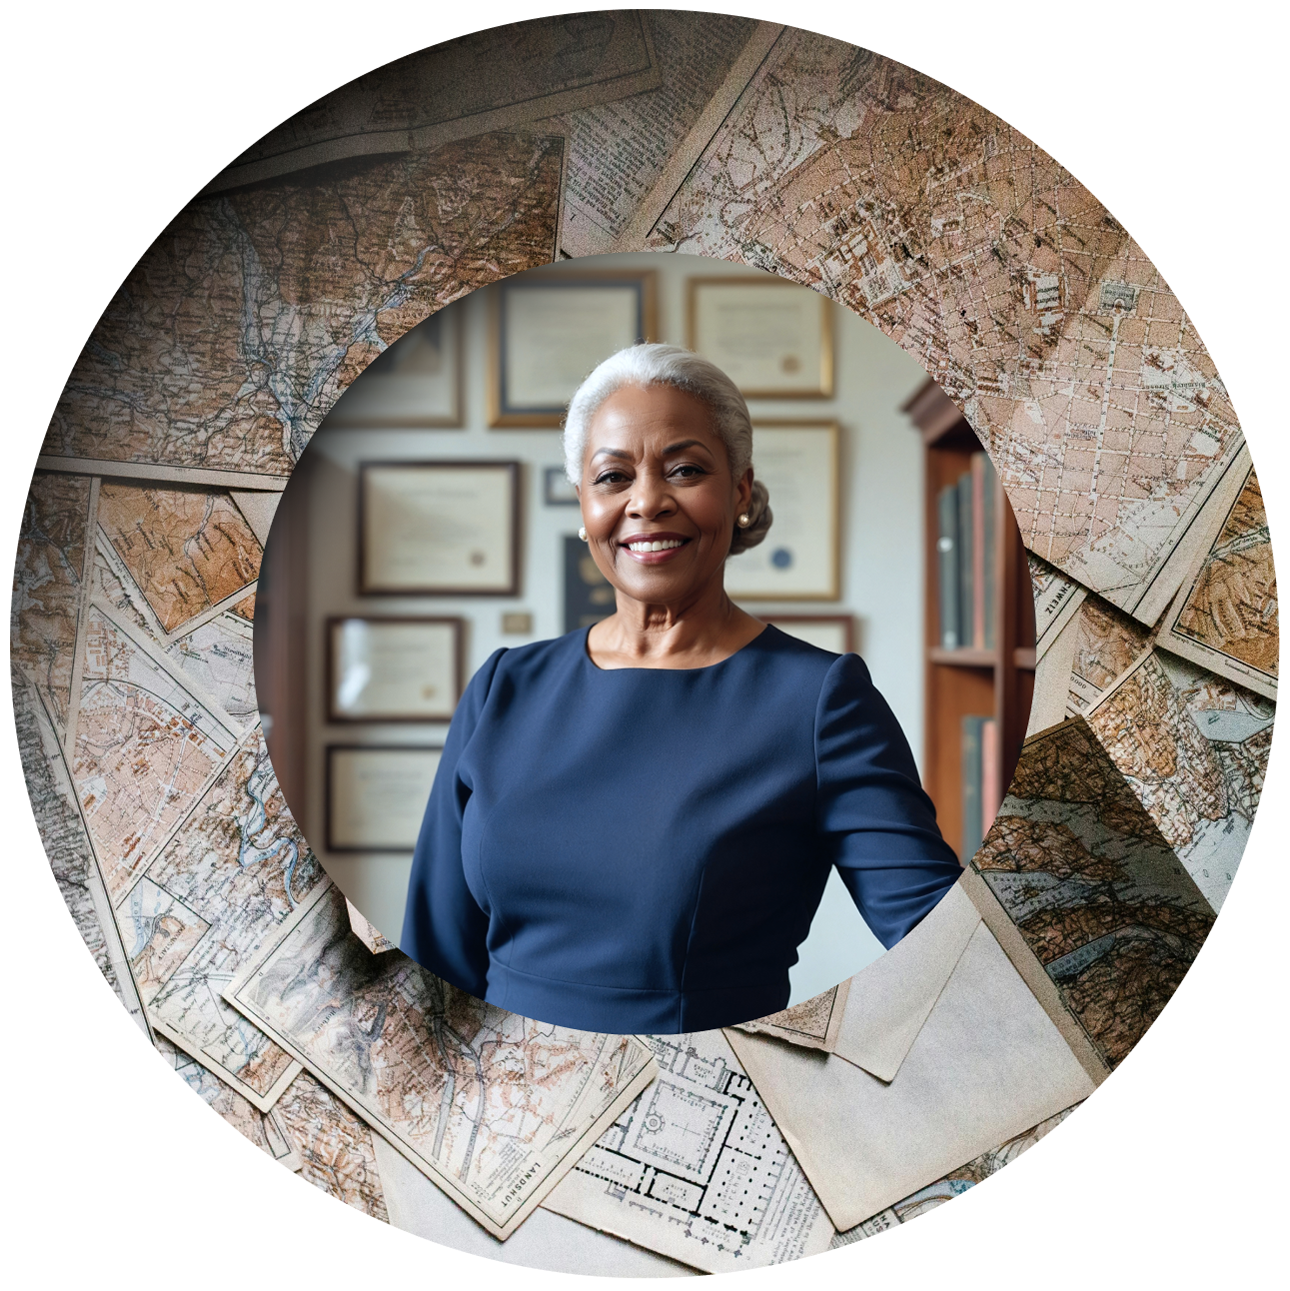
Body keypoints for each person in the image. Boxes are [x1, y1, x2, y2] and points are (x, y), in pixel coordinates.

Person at [401, 343, 962, 1033]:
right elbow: (433, 963)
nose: (647, 501)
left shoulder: (819, 703)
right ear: (584, 505)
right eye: (612, 477)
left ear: (739, 490)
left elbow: (951, 958)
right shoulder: (502, 688)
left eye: (686, 469)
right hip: (497, 1111)